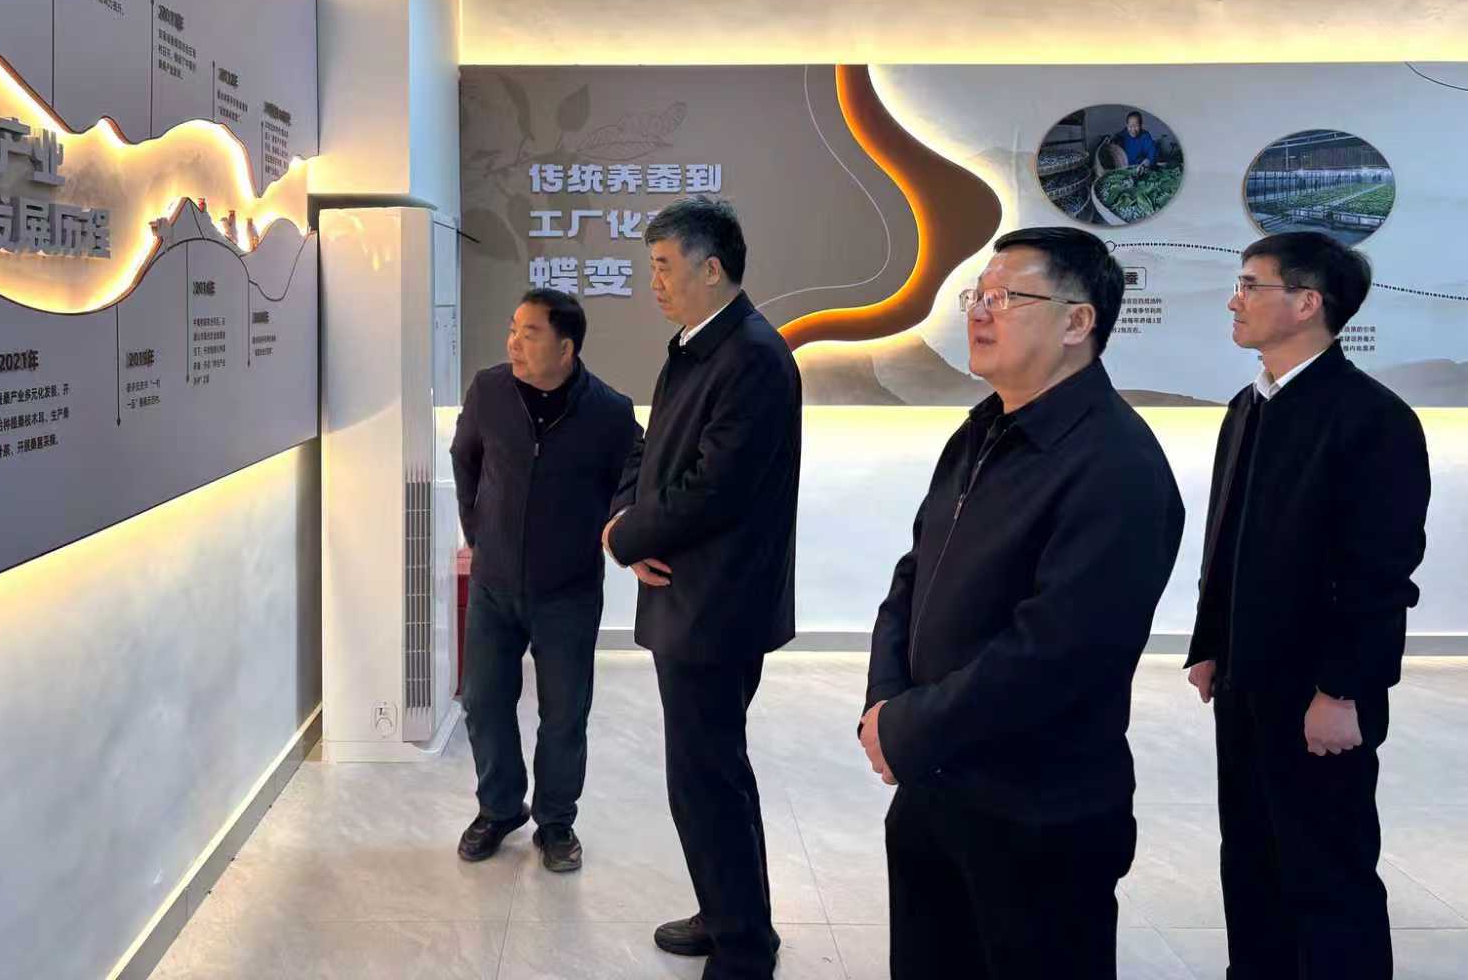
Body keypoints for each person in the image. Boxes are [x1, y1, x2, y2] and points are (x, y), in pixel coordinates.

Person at [860, 226, 1183, 980]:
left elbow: (1056, 652)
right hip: (934, 788)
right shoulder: (981, 429)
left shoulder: (1117, 466)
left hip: (1036, 812)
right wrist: (886, 705)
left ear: (1078, 322)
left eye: (1005, 297)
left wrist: (909, 725)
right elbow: (914, 575)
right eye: (977, 295)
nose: (979, 311)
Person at [1185, 232, 1430, 980]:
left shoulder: (1371, 418)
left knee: (1326, 868)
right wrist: (1209, 642)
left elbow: (1379, 574)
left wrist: (1342, 690)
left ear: (1306, 303)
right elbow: (1225, 539)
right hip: (1245, 681)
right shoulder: (1248, 406)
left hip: (1319, 691)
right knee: (1250, 856)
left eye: (1250, 285)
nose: (1234, 300)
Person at [600, 197, 801, 979]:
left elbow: (714, 489)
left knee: (709, 775)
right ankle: (725, 912)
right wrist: (624, 519)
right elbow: (653, 453)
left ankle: (744, 946)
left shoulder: (751, 357)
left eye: (663, 266)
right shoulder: (697, 347)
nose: (652, 281)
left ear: (710, 268)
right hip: (686, 592)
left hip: (716, 605)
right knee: (702, 773)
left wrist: (628, 538)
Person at [449, 288, 641, 872]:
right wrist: (479, 532)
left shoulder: (609, 411)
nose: (513, 342)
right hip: (494, 583)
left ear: (566, 347)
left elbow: (634, 475)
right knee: (483, 701)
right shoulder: (488, 390)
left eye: (529, 333)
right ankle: (500, 807)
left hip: (568, 589)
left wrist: (621, 527)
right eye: (513, 329)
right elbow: (465, 458)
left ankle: (556, 821)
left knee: (563, 712)